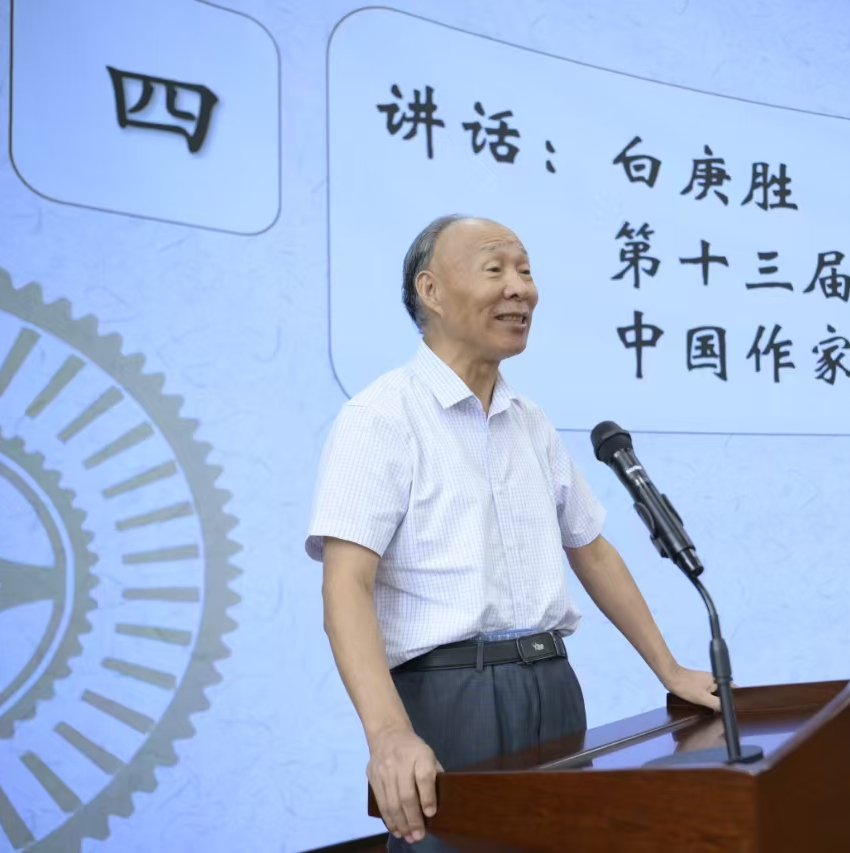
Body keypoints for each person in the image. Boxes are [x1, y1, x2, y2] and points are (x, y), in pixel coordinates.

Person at [306, 215, 721, 850]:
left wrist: (669, 668)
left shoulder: (531, 422)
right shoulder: (381, 417)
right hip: (450, 697)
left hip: (553, 684)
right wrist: (388, 733)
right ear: (430, 291)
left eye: (525, 270)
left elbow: (593, 552)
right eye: (495, 268)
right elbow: (346, 586)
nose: (520, 288)